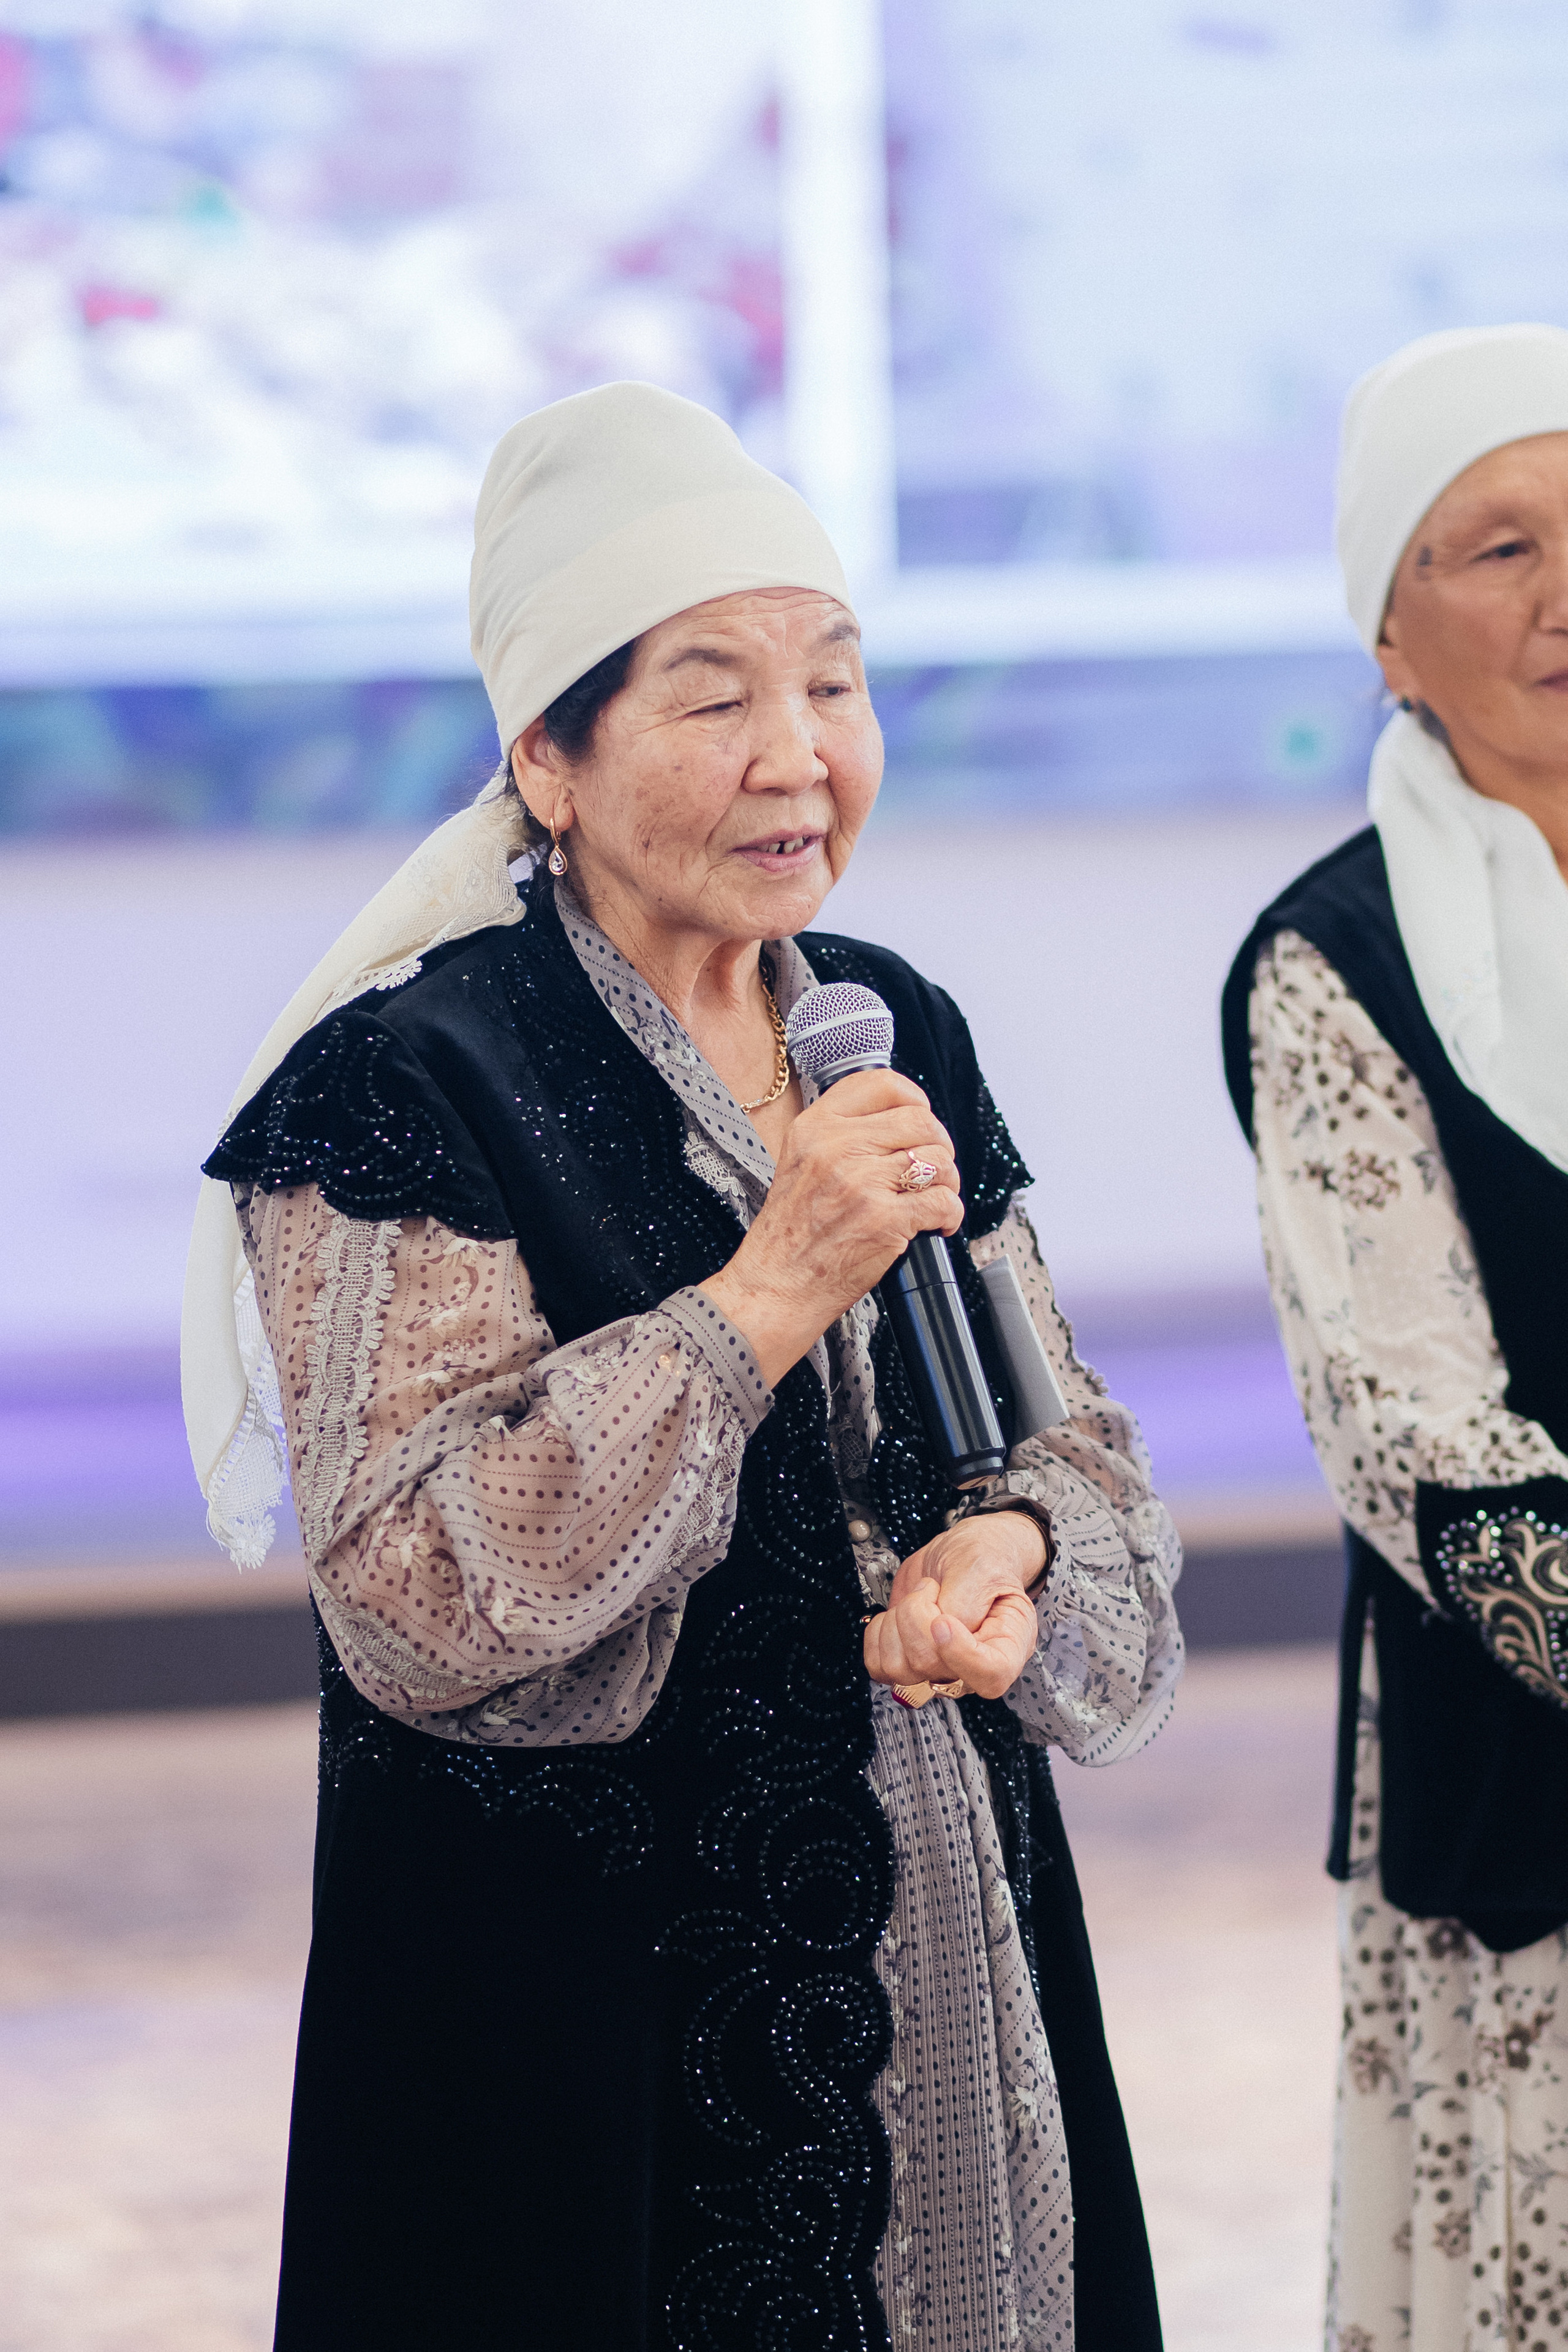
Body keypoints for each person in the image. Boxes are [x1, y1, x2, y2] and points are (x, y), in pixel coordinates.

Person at [184, 381, 1182, 2352]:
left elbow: (1064, 1440)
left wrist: (1010, 1556)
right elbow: (410, 1589)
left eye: (834, 685)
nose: (797, 754)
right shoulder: (405, 1079)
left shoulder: (891, 1027)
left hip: (943, 1943)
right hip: (574, 2026)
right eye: (715, 698)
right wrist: (766, 1292)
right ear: (547, 760)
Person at [1222, 326, 1568, 2351]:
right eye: (1500, 549)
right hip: (1535, 1793)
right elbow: (1413, 1431)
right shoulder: (1331, 963)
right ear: (1388, 638)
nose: (1565, 597)